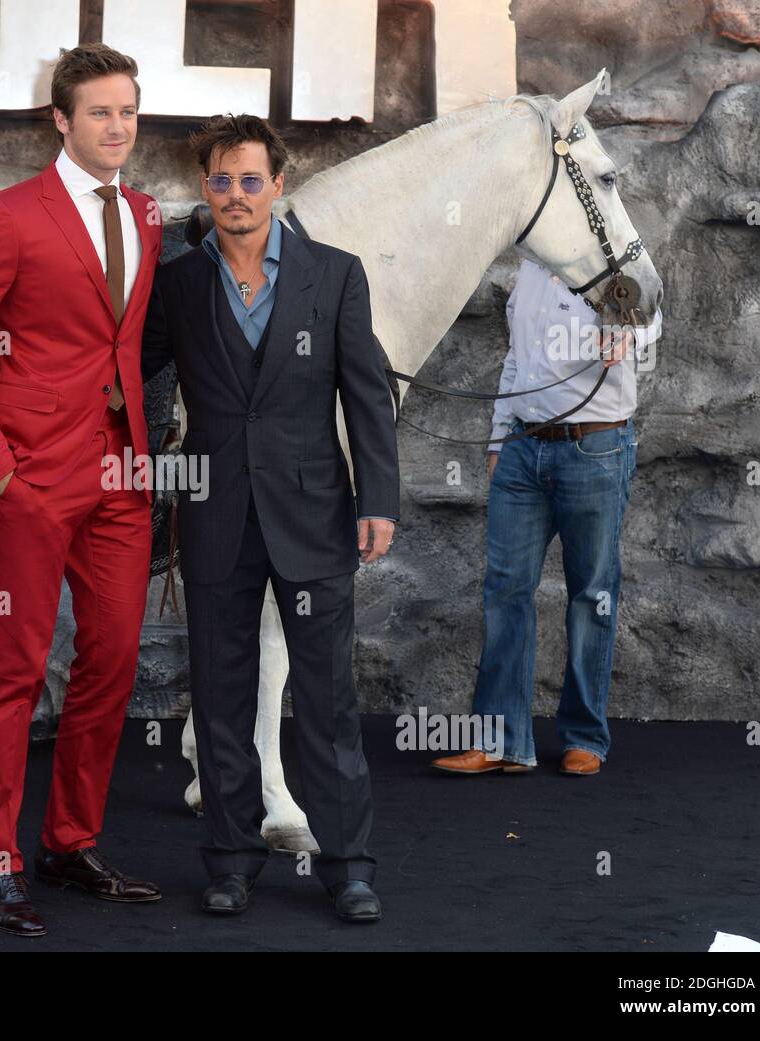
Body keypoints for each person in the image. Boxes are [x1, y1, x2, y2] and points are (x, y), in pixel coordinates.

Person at [0, 43, 164, 937]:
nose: (118, 127)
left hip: (120, 472)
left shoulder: (144, 213)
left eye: (129, 110)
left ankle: (68, 842)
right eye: (100, 112)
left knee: (113, 656)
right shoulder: (7, 216)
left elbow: (126, 344)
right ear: (60, 120)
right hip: (33, 475)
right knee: (16, 670)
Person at [141, 114, 400, 922]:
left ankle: (348, 865)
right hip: (215, 516)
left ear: (278, 186)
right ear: (205, 189)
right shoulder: (178, 283)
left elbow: (366, 394)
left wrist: (379, 500)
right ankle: (230, 858)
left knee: (325, 701)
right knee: (220, 698)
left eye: (250, 180)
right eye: (219, 181)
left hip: (315, 518)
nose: (234, 195)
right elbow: (128, 369)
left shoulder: (335, 274)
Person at [432, 258, 662, 777]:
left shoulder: (609, 258)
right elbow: (517, 360)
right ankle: (501, 741)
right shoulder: (529, 273)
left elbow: (653, 313)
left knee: (591, 592)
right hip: (522, 450)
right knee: (505, 588)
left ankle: (585, 737)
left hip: (596, 447)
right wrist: (498, 438)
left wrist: (633, 338)